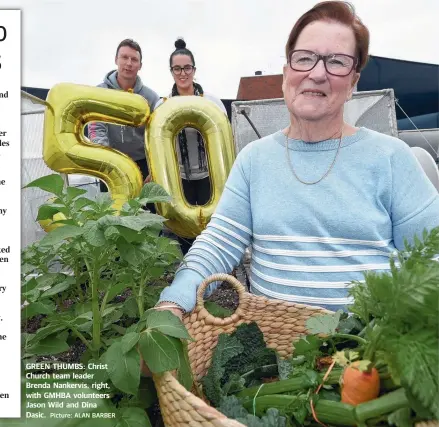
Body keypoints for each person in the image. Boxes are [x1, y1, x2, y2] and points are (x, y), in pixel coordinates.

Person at [154, 1, 439, 318]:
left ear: (353, 83)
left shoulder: (391, 157)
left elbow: (432, 254)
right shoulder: (255, 160)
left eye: (337, 62)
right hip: (276, 351)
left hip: (372, 351)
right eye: (304, 59)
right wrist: (173, 302)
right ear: (286, 72)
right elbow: (219, 243)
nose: (317, 74)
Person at [154, 39, 228, 254]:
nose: (182, 73)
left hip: (210, 177)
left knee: (212, 225)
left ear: (194, 69)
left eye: (187, 67)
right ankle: (189, 268)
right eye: (177, 68)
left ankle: (214, 266)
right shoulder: (163, 105)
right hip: (179, 179)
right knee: (184, 228)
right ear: (171, 71)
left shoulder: (212, 102)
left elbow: (225, 139)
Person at [88, 39, 160, 187]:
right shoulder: (99, 93)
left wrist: (155, 169)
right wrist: (108, 162)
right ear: (116, 60)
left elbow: (157, 136)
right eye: (124, 57)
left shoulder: (151, 98)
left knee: (148, 210)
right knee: (113, 210)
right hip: (110, 163)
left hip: (144, 166)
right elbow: (96, 129)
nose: (129, 63)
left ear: (140, 65)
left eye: (134, 59)